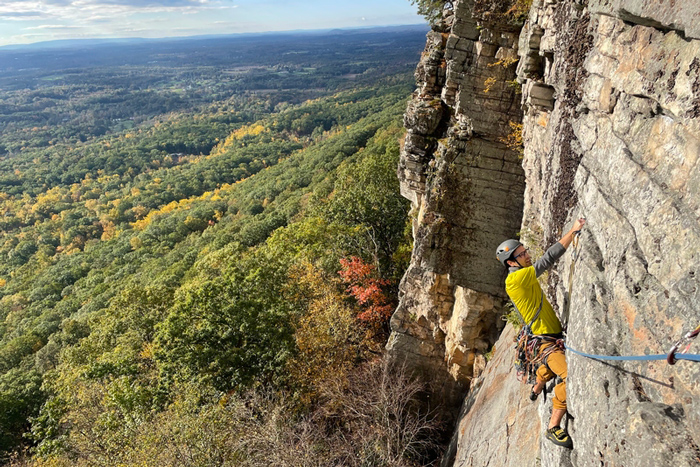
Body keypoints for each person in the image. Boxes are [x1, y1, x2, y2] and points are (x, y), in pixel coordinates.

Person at [495, 218, 586, 449]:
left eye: (525, 251)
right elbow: (547, 260)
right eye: (522, 254)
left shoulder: (518, 275)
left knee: (547, 367)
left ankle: (537, 387)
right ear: (511, 262)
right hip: (546, 342)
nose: (527, 256)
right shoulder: (516, 277)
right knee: (568, 376)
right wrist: (573, 232)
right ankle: (553, 427)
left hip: (545, 337)